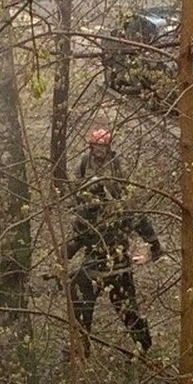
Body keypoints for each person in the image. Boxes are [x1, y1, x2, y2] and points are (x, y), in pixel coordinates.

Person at [64, 127, 163, 356]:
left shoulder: (119, 207)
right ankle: (81, 345)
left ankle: (143, 345)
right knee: (81, 295)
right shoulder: (86, 210)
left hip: (116, 261)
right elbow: (77, 238)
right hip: (96, 261)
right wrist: (61, 260)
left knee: (126, 307)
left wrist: (154, 247)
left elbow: (140, 220)